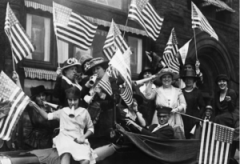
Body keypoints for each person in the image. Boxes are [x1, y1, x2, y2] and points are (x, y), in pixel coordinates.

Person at [30, 86, 96, 164]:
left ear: (79, 99)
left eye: (75, 100)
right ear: (67, 100)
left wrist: (84, 137)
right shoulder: (63, 111)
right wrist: (35, 106)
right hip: (65, 139)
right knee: (66, 153)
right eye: (70, 100)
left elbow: (91, 128)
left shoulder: (84, 112)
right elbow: (47, 116)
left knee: (86, 161)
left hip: (79, 140)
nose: (72, 102)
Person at [81, 57, 119, 139]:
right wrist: (86, 86)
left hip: (105, 116)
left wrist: (101, 93)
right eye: (93, 70)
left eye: (98, 68)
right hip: (91, 115)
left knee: (103, 139)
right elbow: (81, 95)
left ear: (104, 69)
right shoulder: (90, 80)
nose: (95, 71)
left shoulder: (111, 80)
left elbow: (115, 98)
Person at [144, 68, 186, 139]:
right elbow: (148, 96)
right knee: (159, 138)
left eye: (169, 77)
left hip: (174, 117)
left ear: (172, 79)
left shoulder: (178, 91)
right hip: (160, 117)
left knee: (175, 137)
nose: (167, 79)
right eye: (164, 77)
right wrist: (150, 82)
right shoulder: (157, 90)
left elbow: (183, 104)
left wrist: (177, 109)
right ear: (161, 79)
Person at [181, 69, 205, 139]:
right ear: (184, 80)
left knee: (192, 137)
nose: (188, 81)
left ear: (194, 81)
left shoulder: (197, 92)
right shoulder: (180, 91)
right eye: (186, 79)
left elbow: (203, 106)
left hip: (193, 119)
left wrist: (198, 117)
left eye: (190, 79)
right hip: (183, 118)